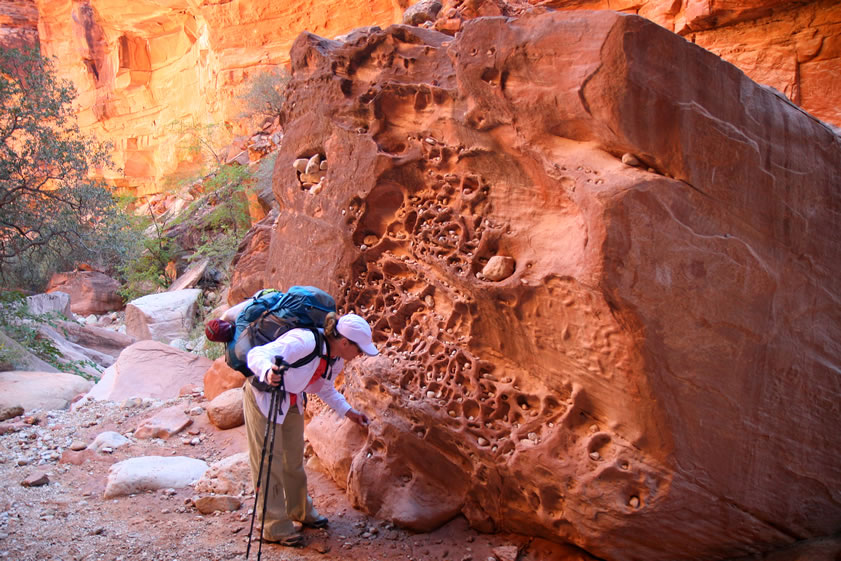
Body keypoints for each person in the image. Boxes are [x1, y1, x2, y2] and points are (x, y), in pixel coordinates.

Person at [243, 311, 378, 546]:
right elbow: (256, 354)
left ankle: (300, 511)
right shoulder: (303, 341)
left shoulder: (334, 359)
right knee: (268, 463)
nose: (359, 355)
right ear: (344, 342)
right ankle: (273, 525)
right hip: (264, 397)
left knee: (293, 460)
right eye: (358, 349)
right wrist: (267, 371)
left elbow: (324, 388)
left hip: (292, 399)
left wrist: (350, 413)